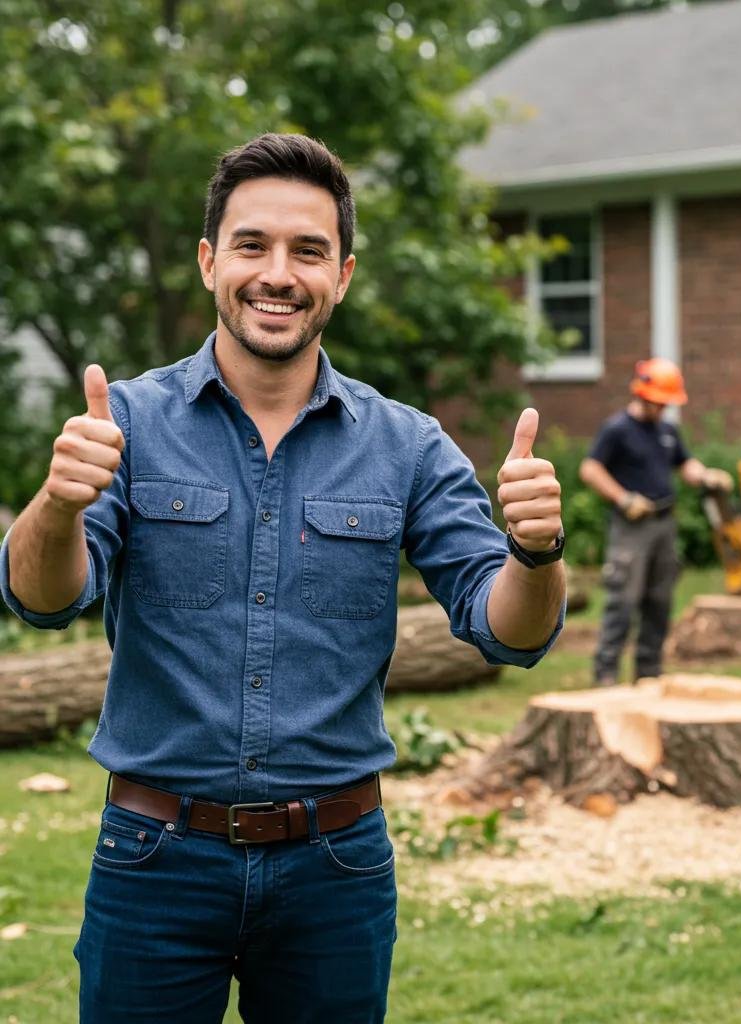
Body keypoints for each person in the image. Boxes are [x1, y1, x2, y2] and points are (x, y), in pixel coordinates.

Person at [0, 133, 565, 1023]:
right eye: (252, 245)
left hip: (335, 871)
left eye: (308, 251)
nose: (278, 273)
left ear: (342, 274)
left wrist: (535, 552)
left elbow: (511, 631)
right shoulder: (130, 424)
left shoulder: (408, 444)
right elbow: (42, 599)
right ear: (208, 262)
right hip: (154, 859)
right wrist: (59, 504)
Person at [579, 357, 730, 685]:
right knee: (623, 601)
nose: (662, 409)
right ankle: (605, 675)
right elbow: (590, 469)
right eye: (658, 403)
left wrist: (706, 476)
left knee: (659, 602)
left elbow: (685, 464)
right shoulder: (617, 429)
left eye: (666, 404)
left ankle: (649, 674)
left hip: (664, 524)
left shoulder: (666, 430)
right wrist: (623, 498)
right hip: (632, 527)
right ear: (642, 395)